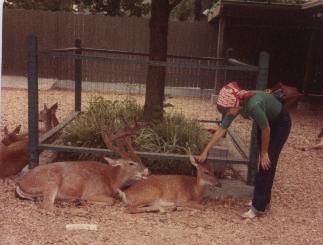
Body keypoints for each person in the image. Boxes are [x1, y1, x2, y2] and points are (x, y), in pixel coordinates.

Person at [198, 81, 292, 219]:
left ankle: (257, 208)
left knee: (266, 162)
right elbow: (221, 130)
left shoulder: (253, 106)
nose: (228, 113)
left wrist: (265, 153)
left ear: (235, 104)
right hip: (265, 122)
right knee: (266, 163)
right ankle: (263, 201)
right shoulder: (237, 103)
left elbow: (267, 129)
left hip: (280, 123)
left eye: (228, 109)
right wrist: (206, 150)